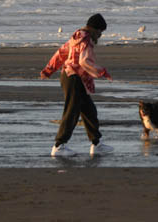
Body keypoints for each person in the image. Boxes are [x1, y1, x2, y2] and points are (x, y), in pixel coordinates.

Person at [41, 13, 114, 157]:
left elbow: (61, 53)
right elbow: (84, 61)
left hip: (71, 77)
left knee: (89, 111)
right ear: (93, 29)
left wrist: (49, 69)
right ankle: (59, 146)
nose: (100, 35)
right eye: (100, 31)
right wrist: (101, 71)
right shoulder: (85, 40)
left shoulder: (76, 37)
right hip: (74, 78)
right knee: (71, 112)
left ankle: (96, 143)